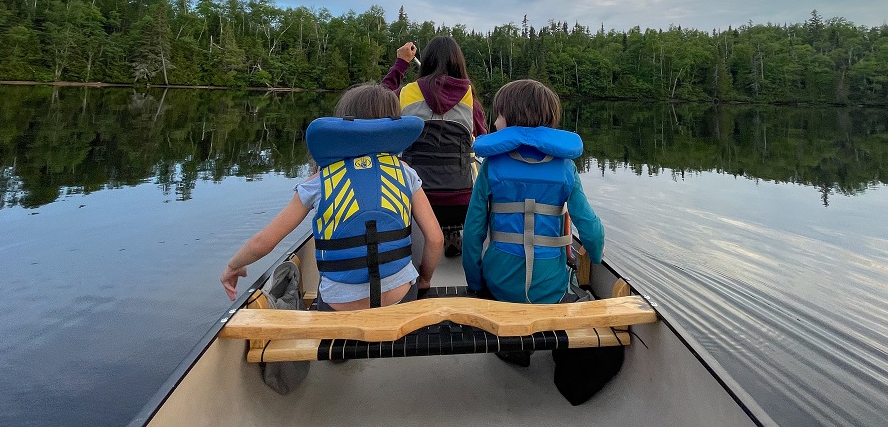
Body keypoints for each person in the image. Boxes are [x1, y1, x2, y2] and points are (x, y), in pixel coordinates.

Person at [220, 84, 444, 310]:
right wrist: (424, 280)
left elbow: (263, 242)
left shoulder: (318, 181)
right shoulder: (405, 172)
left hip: (340, 306)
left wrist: (234, 265)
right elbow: (435, 239)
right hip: (400, 297)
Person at [462, 79, 604, 306]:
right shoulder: (566, 168)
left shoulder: (491, 166)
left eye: (498, 116)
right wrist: (596, 257)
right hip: (550, 290)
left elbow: (472, 234)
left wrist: (475, 284)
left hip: (499, 286)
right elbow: (592, 230)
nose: (496, 123)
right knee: (569, 282)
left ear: (512, 120)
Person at [382, 37, 487, 257]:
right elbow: (484, 143)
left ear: (427, 61)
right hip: (462, 203)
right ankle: (452, 231)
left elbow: (377, 100)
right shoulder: (471, 100)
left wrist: (401, 63)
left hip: (415, 202)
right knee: (473, 166)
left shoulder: (405, 94)